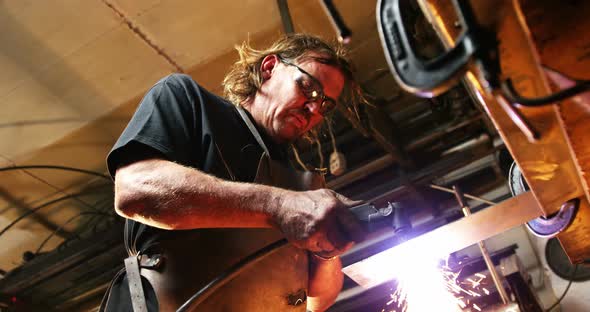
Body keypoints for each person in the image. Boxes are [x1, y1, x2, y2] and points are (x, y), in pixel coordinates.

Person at [100, 33, 367, 312]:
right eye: (308, 87)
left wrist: (327, 251)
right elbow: (135, 191)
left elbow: (317, 300)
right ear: (269, 68)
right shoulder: (189, 100)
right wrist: (278, 206)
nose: (313, 108)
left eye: (325, 104)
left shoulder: (305, 186)